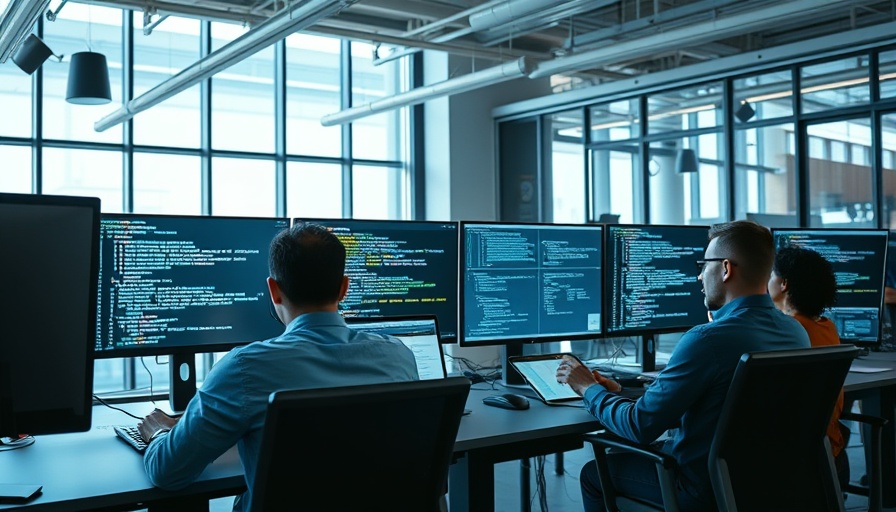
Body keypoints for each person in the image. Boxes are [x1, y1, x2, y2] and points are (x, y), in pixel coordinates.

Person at [137, 223, 419, 511]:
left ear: (273, 290)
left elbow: (167, 472)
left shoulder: (244, 368)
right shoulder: (399, 356)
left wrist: (160, 433)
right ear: (344, 287)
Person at [557, 220, 811, 511]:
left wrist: (589, 389)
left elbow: (640, 426)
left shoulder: (707, 340)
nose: (700, 277)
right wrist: (620, 394)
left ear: (726, 269)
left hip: (702, 490)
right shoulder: (796, 332)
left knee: (594, 473)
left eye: (704, 265)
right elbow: (732, 408)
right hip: (770, 485)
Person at [767, 245, 848, 487]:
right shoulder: (827, 327)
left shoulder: (784, 331)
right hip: (828, 450)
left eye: (770, 275)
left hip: (791, 458)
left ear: (784, 284)